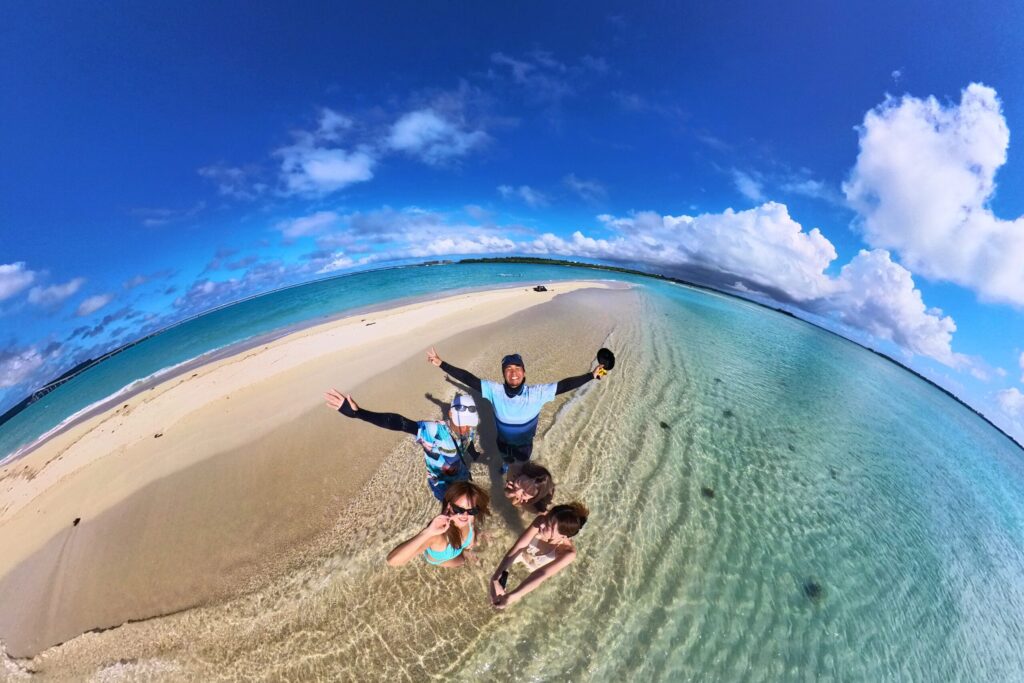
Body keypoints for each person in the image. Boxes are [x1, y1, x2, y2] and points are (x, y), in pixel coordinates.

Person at [426, 348, 606, 470]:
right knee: (506, 459)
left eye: (517, 368)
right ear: (503, 374)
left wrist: (591, 375)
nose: (513, 372)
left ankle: (519, 468)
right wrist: (442, 363)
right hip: (502, 441)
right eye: (508, 369)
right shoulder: (494, 391)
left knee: (523, 462)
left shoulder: (538, 393)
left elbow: (565, 384)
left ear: (524, 372)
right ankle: (505, 466)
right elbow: (468, 378)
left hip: (525, 443)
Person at [324, 389, 479, 501]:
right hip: (441, 485)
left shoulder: (470, 428)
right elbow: (398, 422)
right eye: (462, 422)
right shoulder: (432, 430)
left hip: (461, 477)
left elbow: (468, 441)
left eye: (468, 423)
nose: (465, 428)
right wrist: (360, 413)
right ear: (451, 414)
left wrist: (474, 454)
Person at [489, 502, 589, 608]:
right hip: (521, 556)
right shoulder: (540, 521)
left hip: (535, 574)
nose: (542, 524)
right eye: (547, 518)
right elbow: (518, 548)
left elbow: (540, 574)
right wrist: (495, 577)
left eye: (549, 526)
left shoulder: (567, 553)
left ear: (564, 536)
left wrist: (510, 597)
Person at [386, 481, 491, 568]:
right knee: (461, 561)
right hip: (442, 559)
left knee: (467, 550)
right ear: (449, 506)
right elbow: (393, 561)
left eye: (472, 510)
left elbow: (471, 523)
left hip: (459, 547)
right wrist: (427, 532)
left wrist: (472, 538)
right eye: (459, 509)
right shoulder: (438, 535)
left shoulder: (470, 516)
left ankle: (466, 552)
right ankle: (465, 554)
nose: (465, 515)